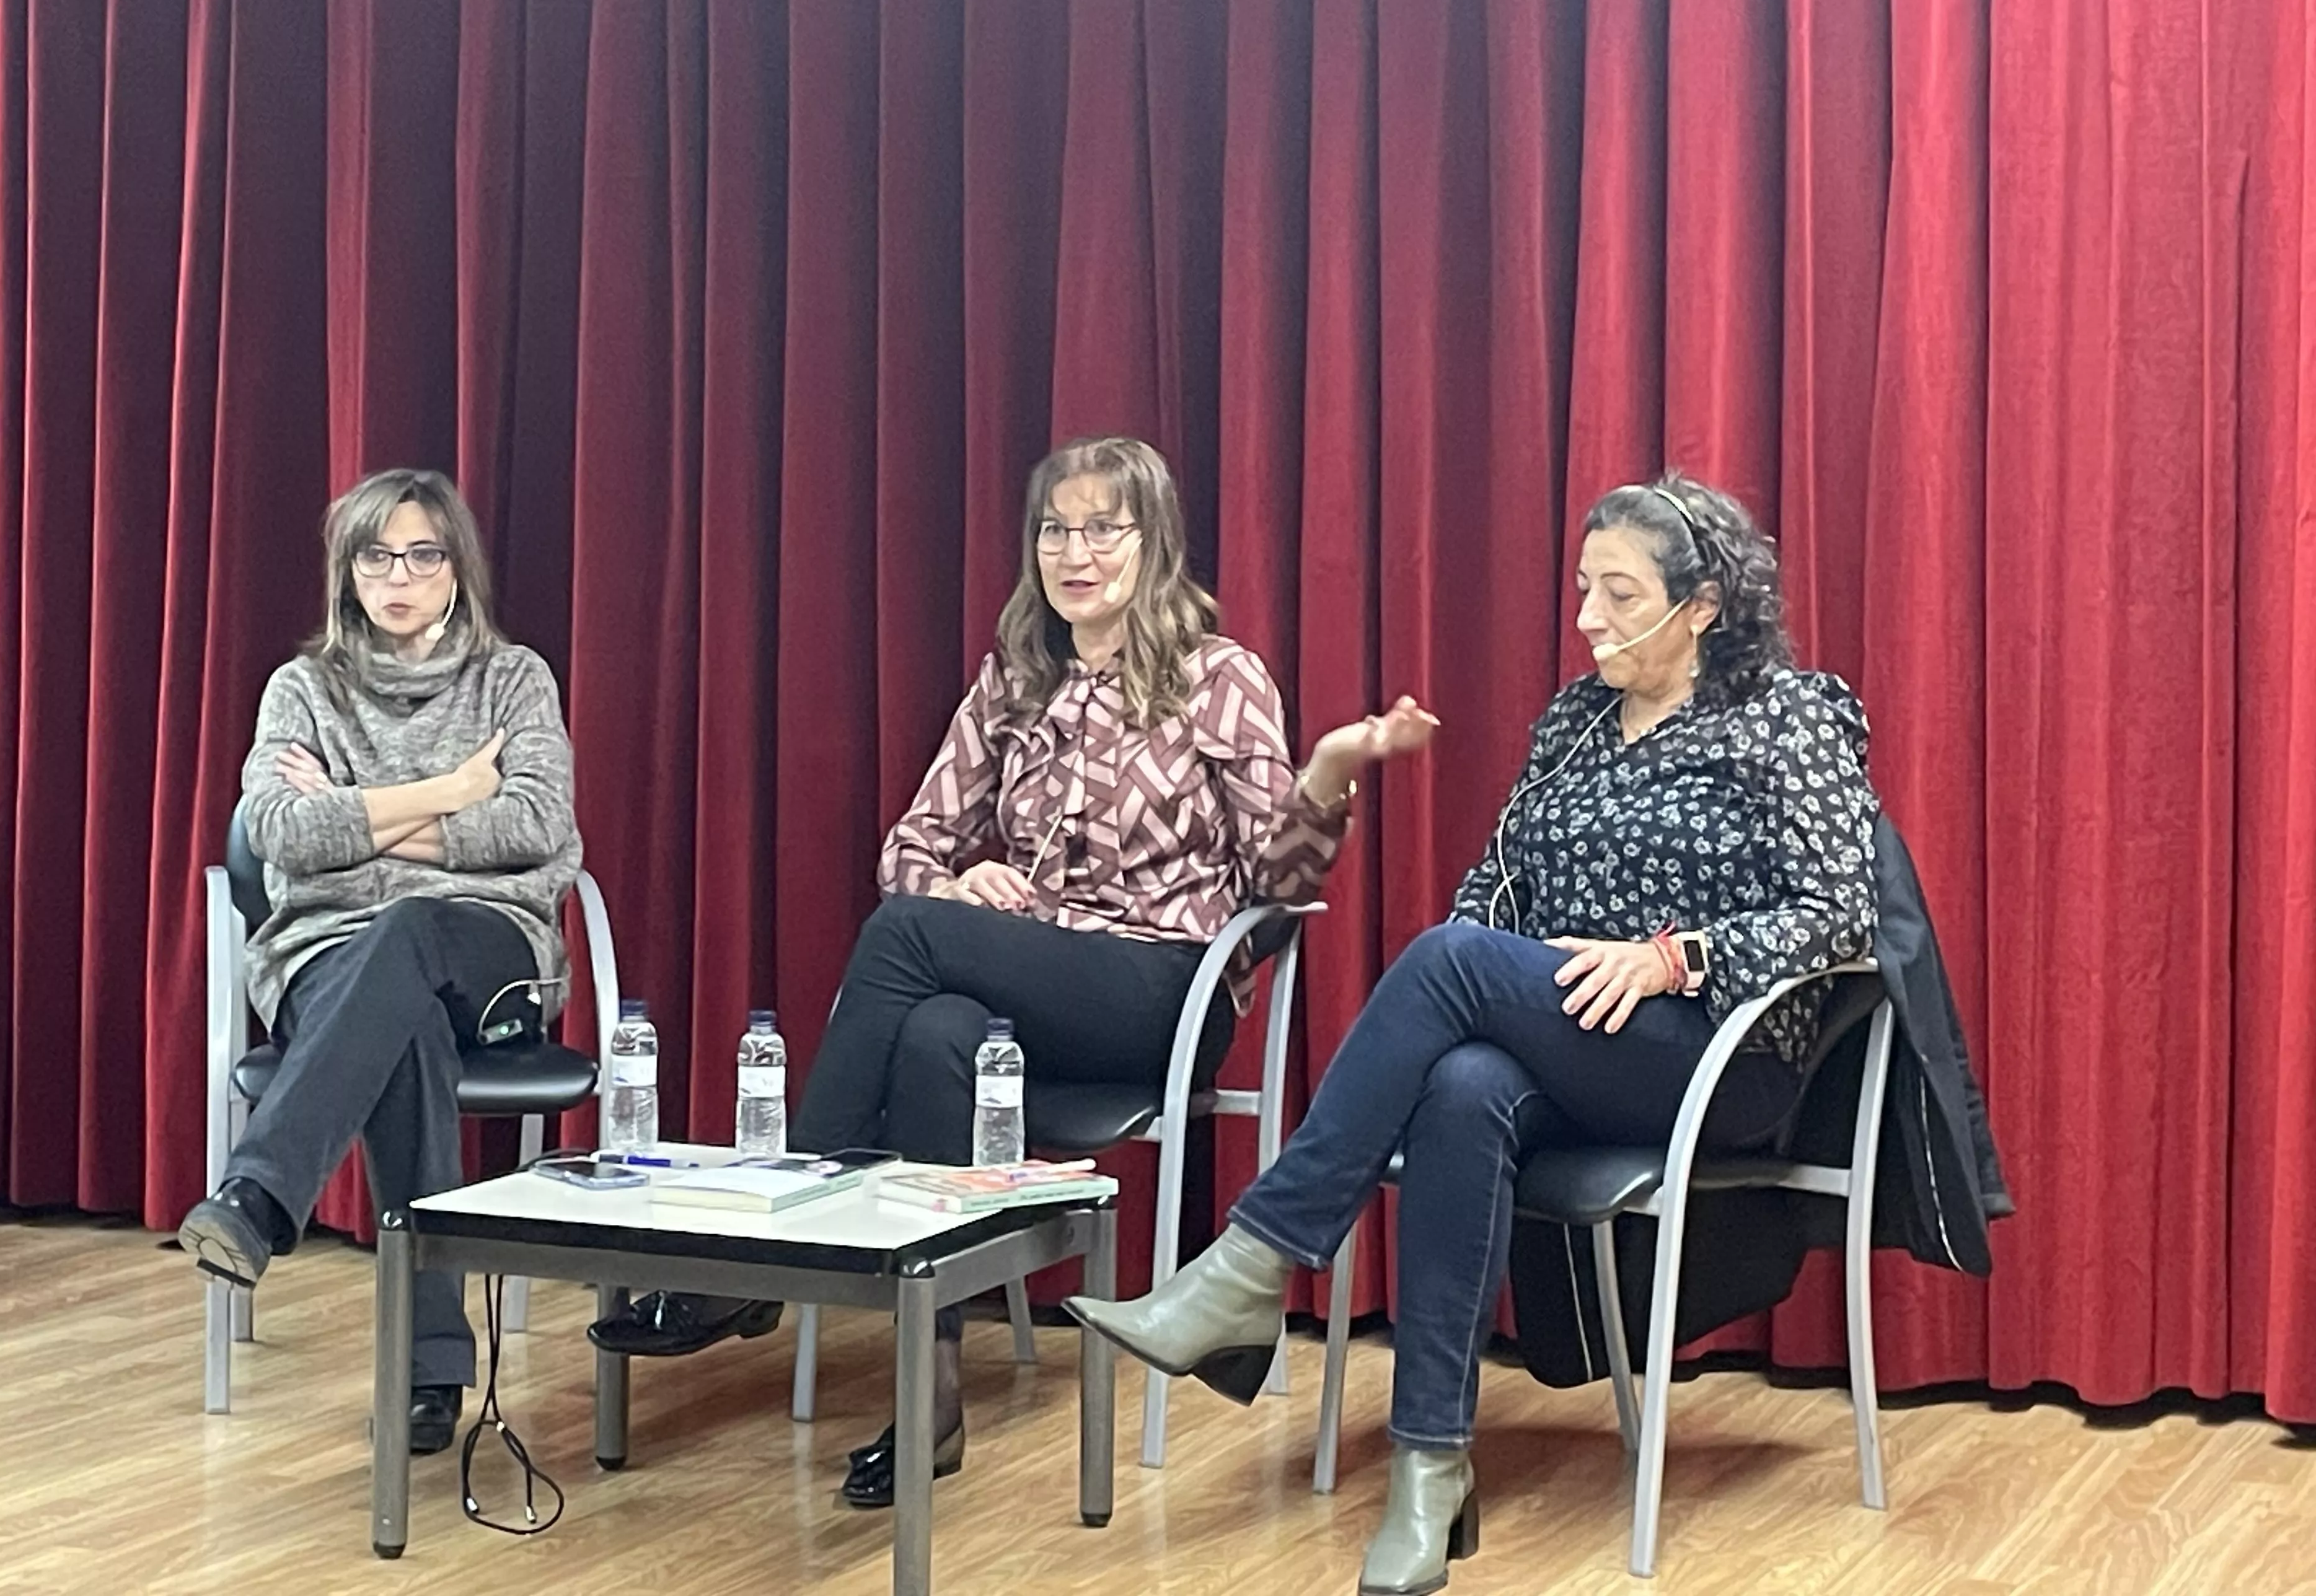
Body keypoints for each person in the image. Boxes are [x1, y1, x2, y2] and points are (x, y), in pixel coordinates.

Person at [1066, 474, 1878, 1596]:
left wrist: (1672, 956)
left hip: (1709, 1054)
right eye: (1584, 587)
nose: (1587, 615)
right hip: (1563, 1040)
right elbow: (1494, 886)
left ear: (1701, 609)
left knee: (1447, 961)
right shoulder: (1574, 719)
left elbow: (1842, 907)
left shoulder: (1788, 715)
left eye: (1619, 592)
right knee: (1461, 1085)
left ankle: (1254, 1261)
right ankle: (1429, 1470)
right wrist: (1502, 965)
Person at [594, 434, 1437, 1508]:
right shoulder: (1017, 678)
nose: (1074, 552)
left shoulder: (1217, 678)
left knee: (905, 941)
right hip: (1022, 992)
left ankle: (766, 1243)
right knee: (937, 1027)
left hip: (1158, 988)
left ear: (1154, 542)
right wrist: (965, 885)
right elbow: (908, 848)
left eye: (1102, 529)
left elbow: (1279, 878)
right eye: (1055, 529)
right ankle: (927, 1400)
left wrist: (1328, 773)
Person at [177, 468, 582, 1458]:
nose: (398, 574)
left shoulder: (514, 678)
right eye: (376, 554)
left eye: (423, 554)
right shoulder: (302, 688)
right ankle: (430, 1370)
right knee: (393, 1020)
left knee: (404, 937)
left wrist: (356, 816)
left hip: (487, 946)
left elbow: (535, 823)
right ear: (347, 570)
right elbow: (277, 831)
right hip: (326, 948)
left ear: (457, 571)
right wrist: (449, 789)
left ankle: (261, 1196)